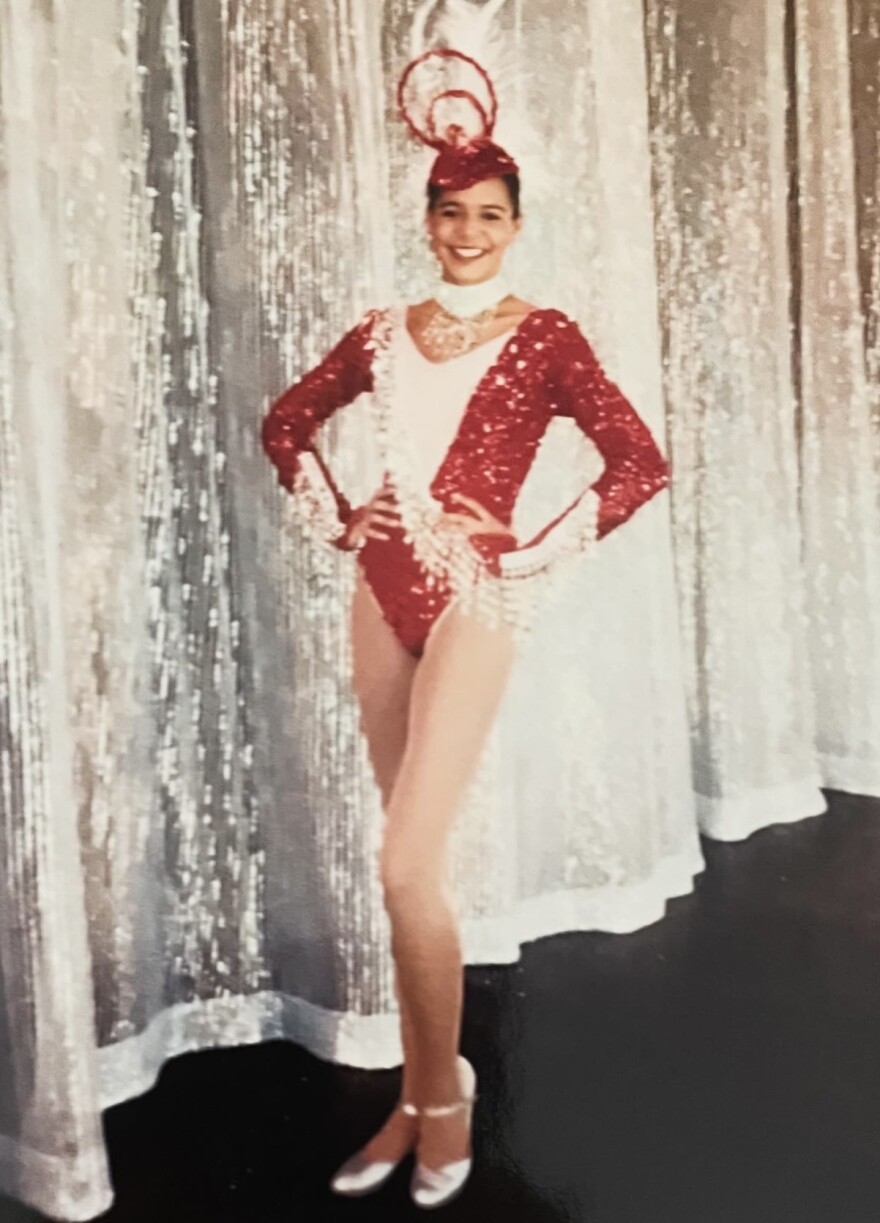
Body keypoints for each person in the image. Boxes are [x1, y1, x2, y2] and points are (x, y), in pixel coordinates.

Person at [261, 48, 671, 1211]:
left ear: (516, 222)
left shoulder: (546, 336)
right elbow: (286, 420)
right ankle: (420, 1088)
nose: (469, 230)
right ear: (428, 218)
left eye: (490, 213)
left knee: (399, 863)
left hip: (477, 599)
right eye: (451, 213)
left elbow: (640, 462)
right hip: (380, 593)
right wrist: (344, 521)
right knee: (414, 874)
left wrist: (525, 543)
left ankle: (443, 1098)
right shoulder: (384, 331)